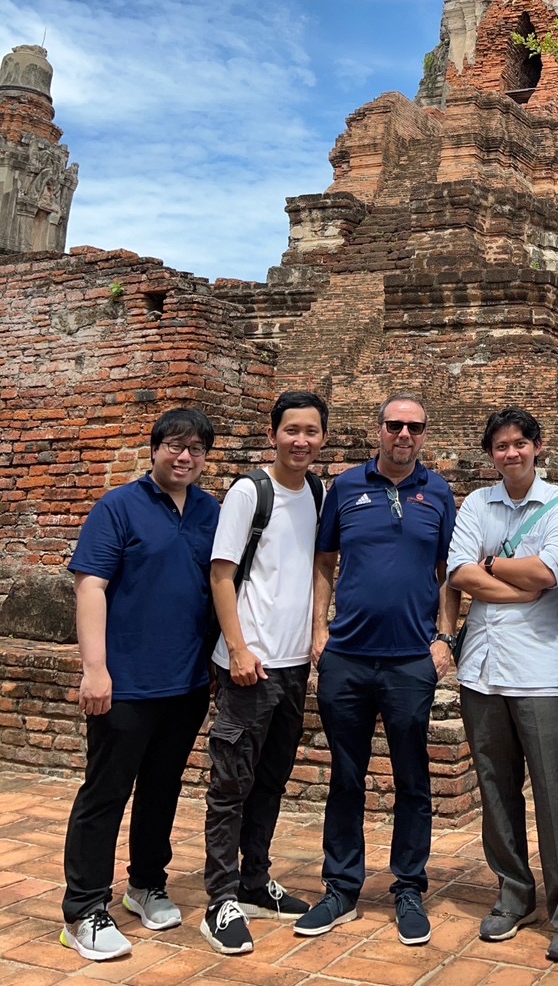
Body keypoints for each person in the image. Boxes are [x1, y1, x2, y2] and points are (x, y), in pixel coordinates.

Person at [295, 393, 457, 947]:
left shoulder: (437, 492)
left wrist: (443, 637)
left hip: (411, 659)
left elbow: (447, 572)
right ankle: (341, 888)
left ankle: (408, 886)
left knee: (413, 776)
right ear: (378, 430)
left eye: (415, 426)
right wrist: (320, 629)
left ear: (424, 433)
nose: (404, 435)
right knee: (345, 775)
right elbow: (324, 562)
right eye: (395, 425)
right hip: (347, 657)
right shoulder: (344, 487)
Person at [60, 408, 219, 963]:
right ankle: (83, 910)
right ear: (154, 449)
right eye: (175, 445)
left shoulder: (209, 512)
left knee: (162, 787)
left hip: (186, 682)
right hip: (125, 681)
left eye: (196, 448)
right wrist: (95, 669)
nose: (184, 456)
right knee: (105, 793)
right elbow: (91, 587)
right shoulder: (119, 507)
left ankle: (146, 883)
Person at [447, 407, 558, 963]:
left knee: (556, 793)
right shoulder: (477, 503)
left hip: (539, 669)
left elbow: (548, 573)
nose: (511, 454)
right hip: (481, 668)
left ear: (537, 448)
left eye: (520, 444)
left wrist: (491, 568)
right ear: (492, 454)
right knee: (495, 789)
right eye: (501, 446)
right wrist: (509, 580)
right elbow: (458, 571)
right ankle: (513, 891)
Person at [201, 390, 329, 954]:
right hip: (249, 665)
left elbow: (315, 569)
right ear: (273, 433)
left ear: (322, 437)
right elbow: (221, 575)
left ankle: (255, 878)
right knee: (231, 784)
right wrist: (238, 649)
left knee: (272, 778)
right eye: (291, 430)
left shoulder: (318, 492)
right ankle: (220, 899)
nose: (301, 441)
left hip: (293, 663)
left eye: (311, 431)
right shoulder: (249, 493)